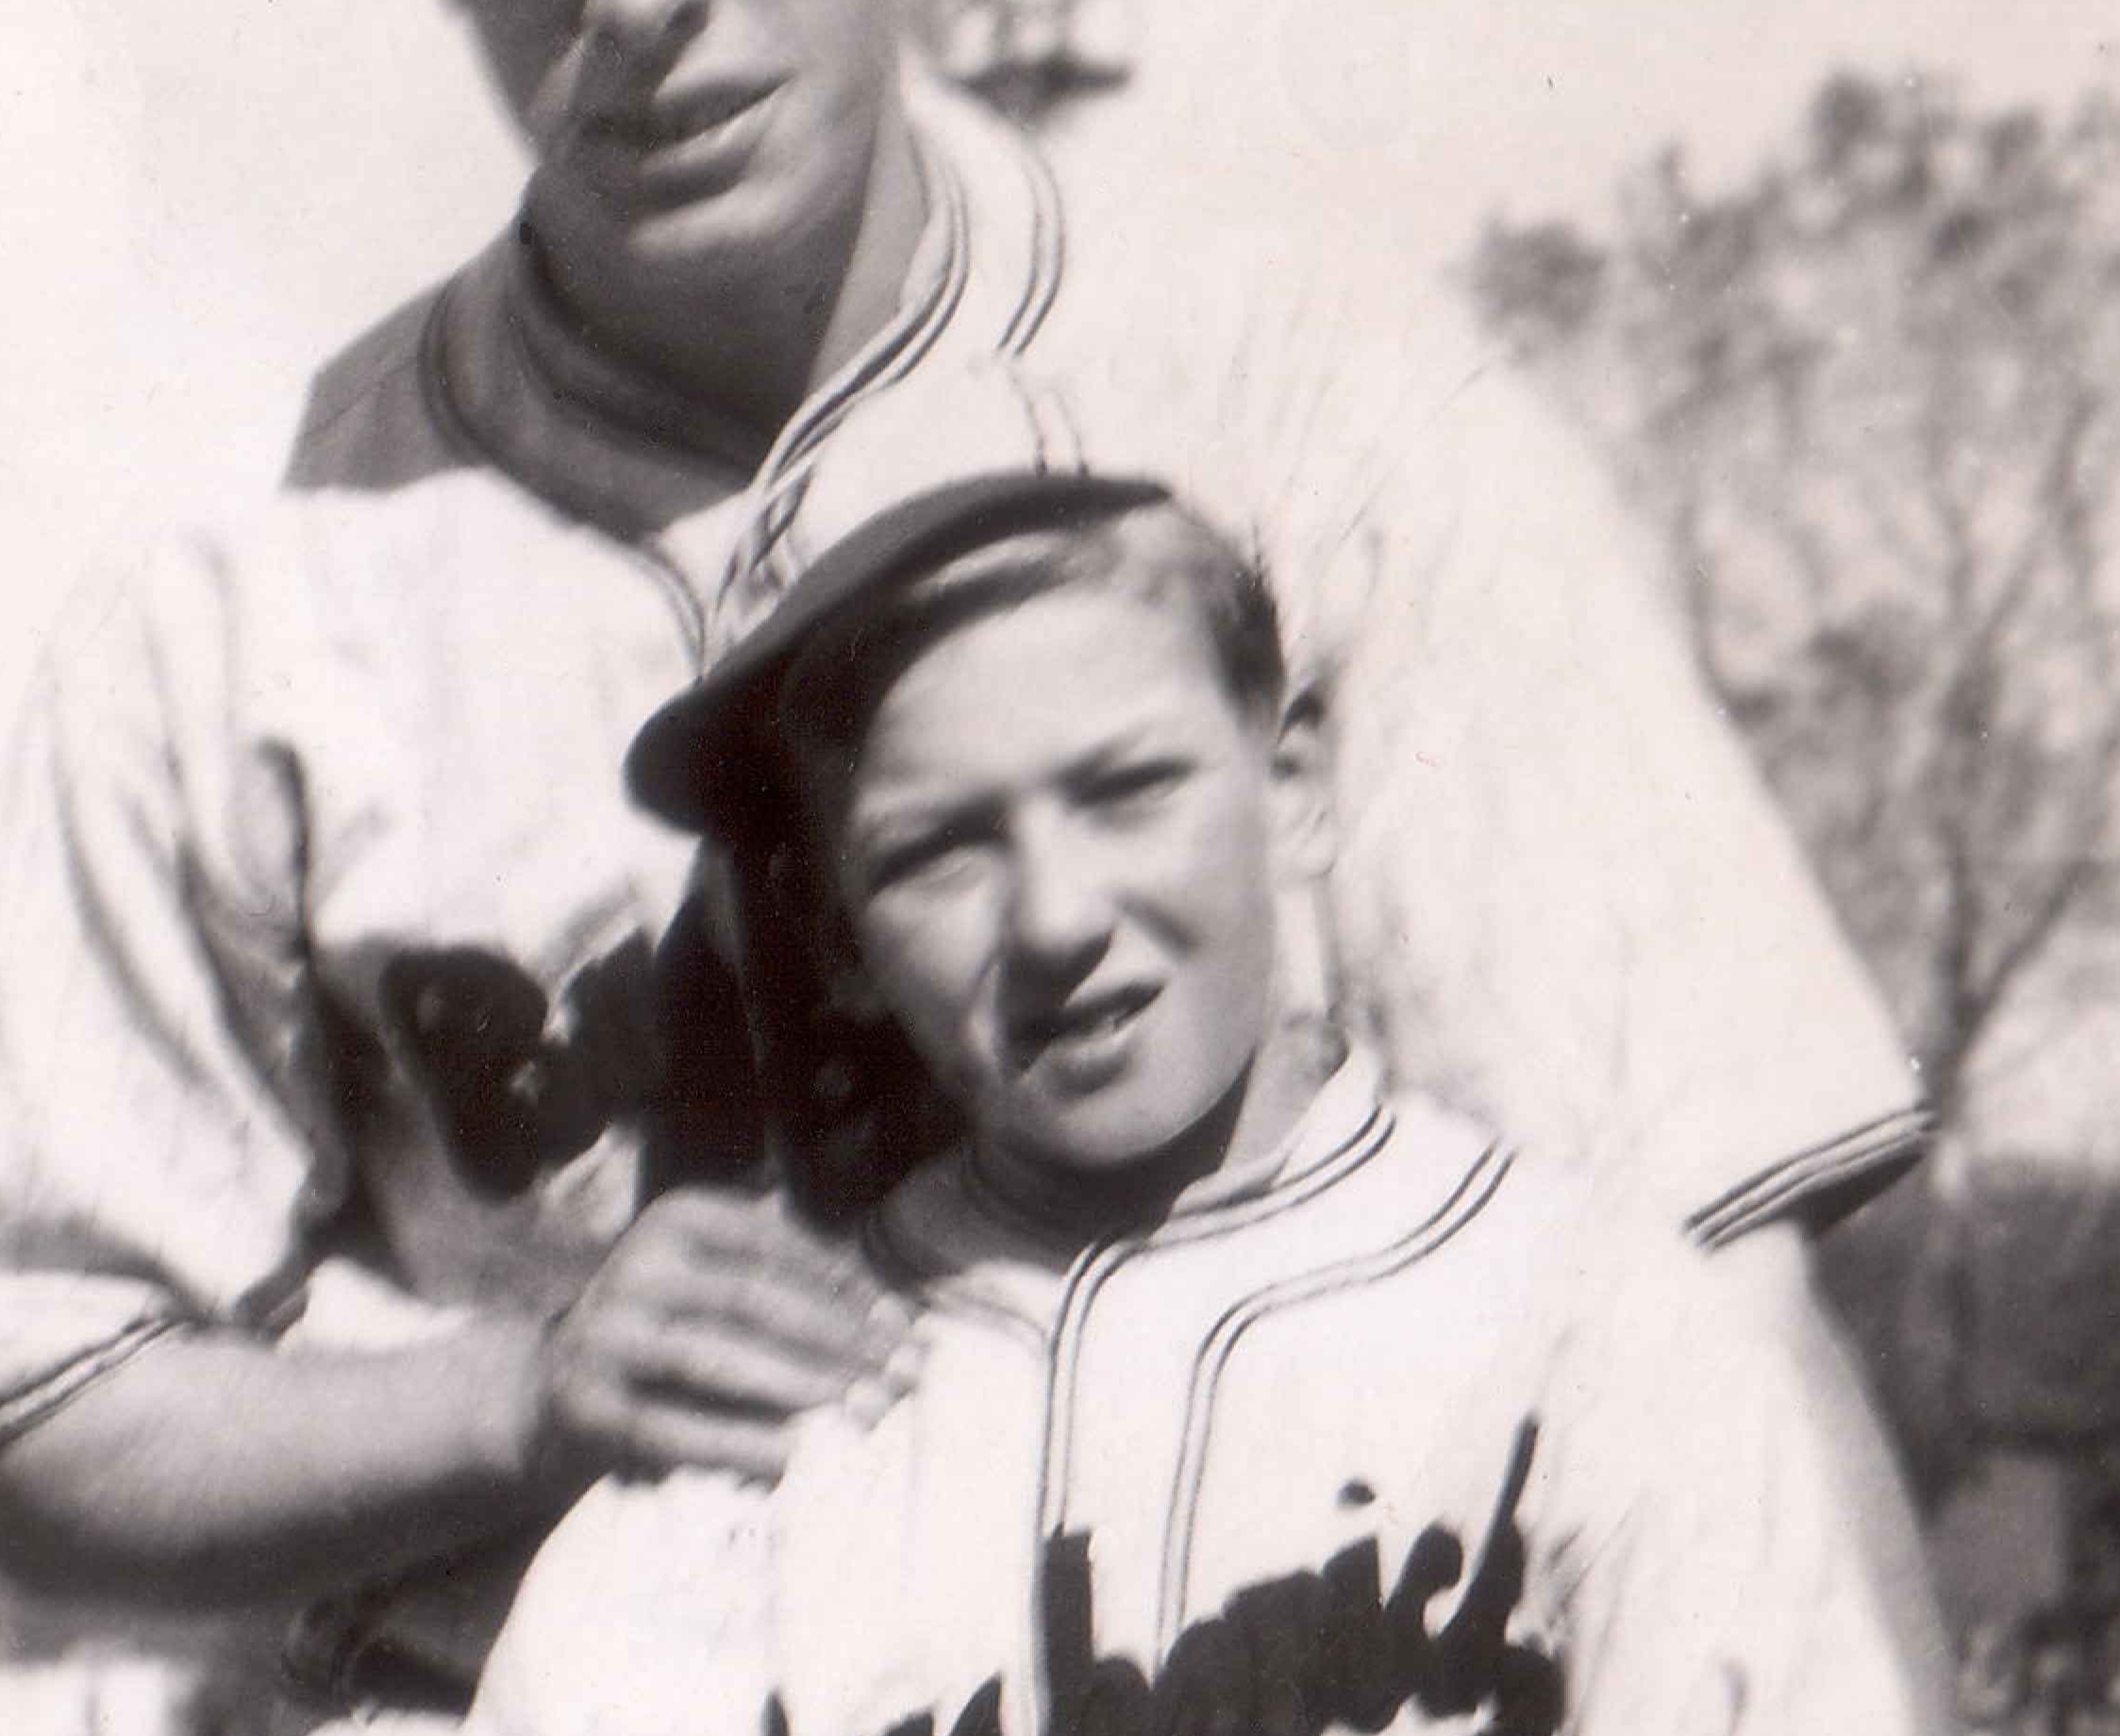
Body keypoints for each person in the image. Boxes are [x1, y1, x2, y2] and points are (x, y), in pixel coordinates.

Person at [0, 0, 1928, 1712]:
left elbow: (1715, 1301)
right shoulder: (246, 598)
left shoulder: (1322, 411)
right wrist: (517, 1397)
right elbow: (28, 1401)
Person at [471, 415, 1941, 1736]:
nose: (1055, 916)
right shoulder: (771, 1433)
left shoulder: (1585, 1322)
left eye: (1127, 790)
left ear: (1290, 785)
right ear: (831, 934)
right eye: (935, 850)